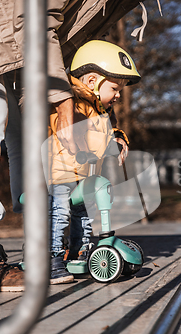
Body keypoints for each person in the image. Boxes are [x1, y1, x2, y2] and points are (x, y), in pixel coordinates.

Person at [0, 0, 126, 292]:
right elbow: (35, 19)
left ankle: (39, 246)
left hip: (5, 34)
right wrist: (61, 96)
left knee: (22, 131)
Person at [47, 40, 141, 284]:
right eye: (115, 88)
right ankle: (52, 257)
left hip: (82, 173)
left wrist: (119, 137)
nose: (119, 95)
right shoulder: (72, 104)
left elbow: (107, 132)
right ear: (91, 82)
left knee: (84, 212)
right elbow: (81, 134)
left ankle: (80, 251)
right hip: (61, 172)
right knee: (59, 212)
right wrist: (108, 143)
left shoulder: (99, 109)